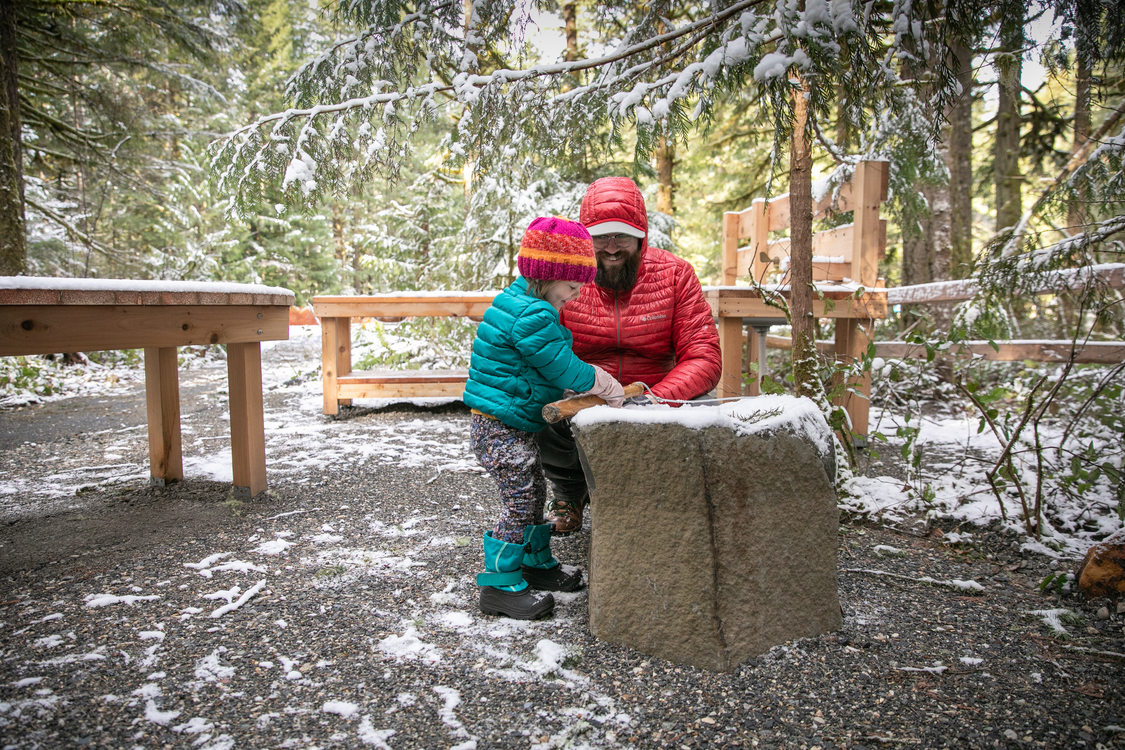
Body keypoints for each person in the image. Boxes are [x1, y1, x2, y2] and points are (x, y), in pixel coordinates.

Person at [463, 216, 627, 620]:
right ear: (547, 275)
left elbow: (535, 367)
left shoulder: (523, 302)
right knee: (520, 501)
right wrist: (599, 381)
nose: (573, 297)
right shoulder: (532, 314)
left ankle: (535, 562)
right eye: (571, 288)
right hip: (499, 429)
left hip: (508, 426)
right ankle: (498, 585)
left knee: (535, 492)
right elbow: (559, 366)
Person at [538, 176, 723, 534]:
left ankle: (681, 495)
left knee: (705, 403)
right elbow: (543, 345)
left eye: (621, 235)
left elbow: (704, 355)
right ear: (585, 237)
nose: (610, 247)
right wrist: (574, 386)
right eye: (600, 236)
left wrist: (658, 398)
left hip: (657, 392)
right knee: (539, 399)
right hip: (584, 391)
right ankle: (569, 491)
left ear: (641, 235)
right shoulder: (564, 279)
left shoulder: (675, 274)